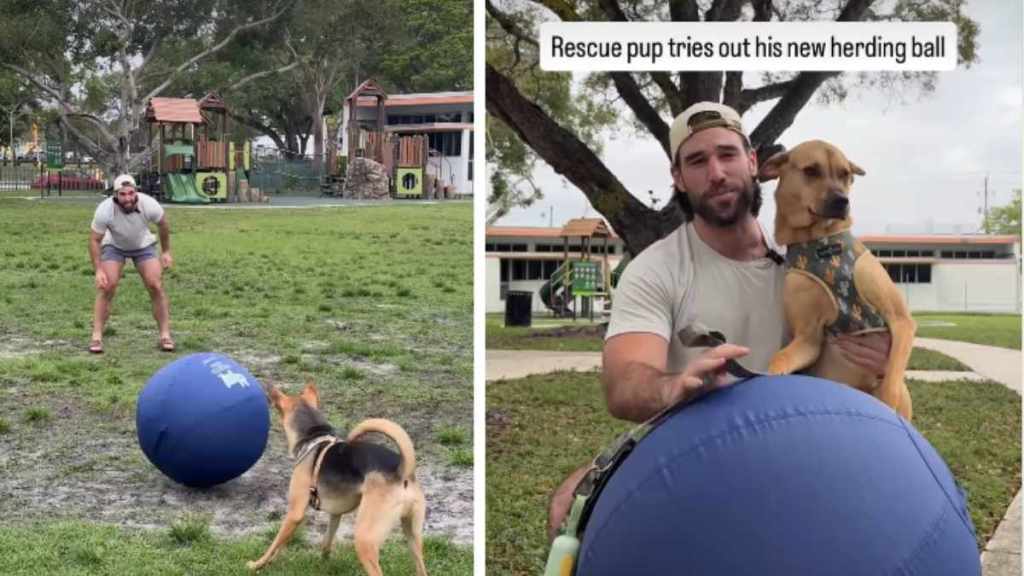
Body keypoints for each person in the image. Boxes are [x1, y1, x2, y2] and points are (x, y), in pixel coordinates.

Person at [546, 102, 891, 537]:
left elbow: (872, 332)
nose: (716, 173)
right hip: (697, 445)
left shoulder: (809, 260)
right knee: (569, 502)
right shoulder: (656, 269)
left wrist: (877, 351)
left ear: (752, 163)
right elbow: (623, 384)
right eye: (697, 161)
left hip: (807, 440)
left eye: (727, 155)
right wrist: (676, 385)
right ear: (678, 179)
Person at [88, 174, 174, 353]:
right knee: (107, 286)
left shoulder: (149, 204)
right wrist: (98, 271)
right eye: (122, 194)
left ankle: (165, 335)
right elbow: (95, 240)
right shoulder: (104, 210)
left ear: (136, 192)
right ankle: (96, 337)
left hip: (143, 245)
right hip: (114, 246)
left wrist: (165, 252)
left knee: (155, 285)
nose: (127, 198)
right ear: (115, 196)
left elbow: (163, 226)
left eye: (130, 193)